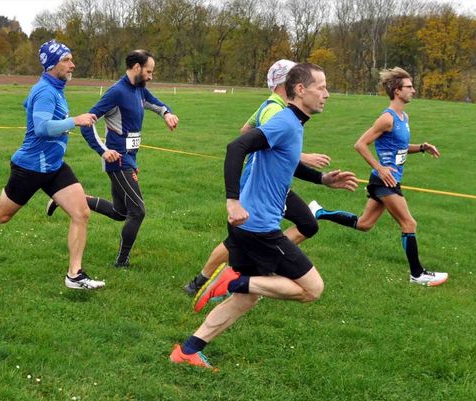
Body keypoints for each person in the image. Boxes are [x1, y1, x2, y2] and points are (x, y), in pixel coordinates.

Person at [170, 63, 355, 369]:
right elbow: (236, 146)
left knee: (249, 298)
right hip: (257, 226)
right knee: (312, 289)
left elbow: (284, 159)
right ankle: (231, 282)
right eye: (321, 87)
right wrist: (232, 201)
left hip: (249, 225)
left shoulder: (293, 124)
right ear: (300, 89)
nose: (327, 94)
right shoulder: (284, 121)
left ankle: (188, 350)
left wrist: (322, 180)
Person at [0, 40, 105, 290]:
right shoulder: (46, 91)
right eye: (67, 60)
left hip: (53, 166)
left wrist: (39, 109)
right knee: (1, 215)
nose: (72, 64)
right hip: (30, 167)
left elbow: (29, 105)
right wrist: (75, 121)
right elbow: (41, 128)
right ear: (52, 64)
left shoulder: (51, 88)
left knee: (81, 212)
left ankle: (74, 275)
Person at [182, 59, 352, 296]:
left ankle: (212, 281)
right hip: (260, 189)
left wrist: (316, 175)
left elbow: (248, 131)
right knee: (245, 242)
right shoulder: (279, 111)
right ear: (294, 84)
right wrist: (235, 197)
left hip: (269, 184)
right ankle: (214, 279)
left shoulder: (274, 106)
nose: (326, 94)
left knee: (296, 227)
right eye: (319, 86)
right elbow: (242, 143)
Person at [308, 67, 448, 287]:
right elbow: (360, 144)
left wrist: (421, 147)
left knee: (364, 224)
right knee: (409, 223)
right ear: (396, 90)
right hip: (384, 181)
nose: (413, 90)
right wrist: (380, 168)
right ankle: (417, 274)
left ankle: (319, 211)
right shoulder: (387, 118)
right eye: (409, 87)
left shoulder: (404, 116)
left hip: (388, 180)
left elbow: (399, 147)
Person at [47, 49, 179, 268]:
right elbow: (88, 123)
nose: (150, 76)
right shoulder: (116, 92)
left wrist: (167, 114)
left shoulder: (139, 90)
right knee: (138, 211)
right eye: (148, 71)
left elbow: (157, 104)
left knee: (120, 212)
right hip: (117, 161)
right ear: (136, 68)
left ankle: (62, 200)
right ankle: (122, 261)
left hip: (130, 160)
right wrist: (103, 151)